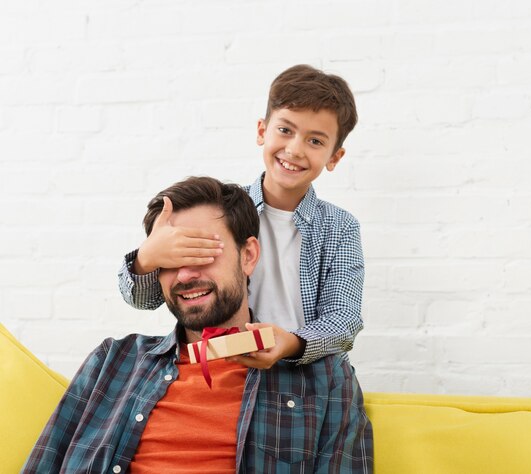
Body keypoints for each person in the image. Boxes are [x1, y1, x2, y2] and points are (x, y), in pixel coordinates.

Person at [23, 177, 373, 473]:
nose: (187, 274)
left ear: (248, 256)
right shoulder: (112, 361)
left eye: (204, 252)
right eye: (171, 258)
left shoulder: (324, 381)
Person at [118, 64, 364, 369]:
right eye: (285, 130)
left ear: (335, 157)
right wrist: (147, 259)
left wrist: (291, 343)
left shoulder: (340, 227)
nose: (295, 149)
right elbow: (146, 299)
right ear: (262, 131)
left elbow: (344, 318)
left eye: (315, 141)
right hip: (231, 370)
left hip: (309, 374)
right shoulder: (222, 212)